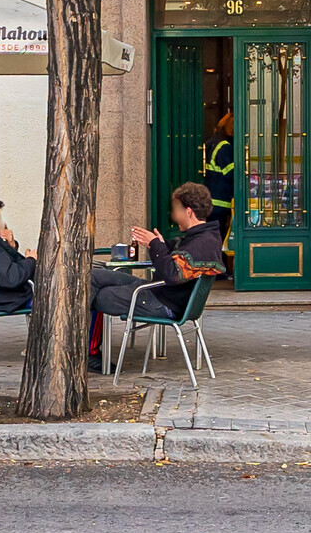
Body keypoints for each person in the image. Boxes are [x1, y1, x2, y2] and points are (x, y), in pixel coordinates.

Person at [90, 182, 226, 369]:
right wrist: (159, 244)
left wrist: (155, 244)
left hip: (161, 303)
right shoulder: (203, 236)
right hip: (157, 294)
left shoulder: (202, 243)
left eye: (175, 209)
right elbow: (175, 257)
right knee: (93, 277)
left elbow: (171, 274)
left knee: (96, 294)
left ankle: (84, 353)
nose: (172, 215)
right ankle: (86, 351)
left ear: (188, 211)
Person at [200, 112, 235, 240]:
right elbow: (232, 174)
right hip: (220, 203)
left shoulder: (211, 142)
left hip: (210, 200)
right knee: (218, 239)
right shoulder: (224, 147)